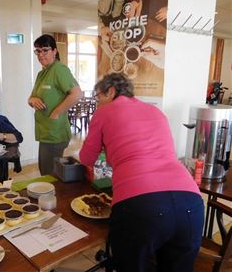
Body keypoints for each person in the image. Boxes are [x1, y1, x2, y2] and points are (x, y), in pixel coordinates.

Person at [79, 73, 204, 272]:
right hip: (190, 202)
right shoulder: (155, 111)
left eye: (98, 97)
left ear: (111, 91)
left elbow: (86, 158)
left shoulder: (104, 112)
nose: (97, 103)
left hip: (142, 205)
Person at [28, 34, 82, 175]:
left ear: (55, 51)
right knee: (45, 170)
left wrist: (56, 113)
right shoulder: (42, 73)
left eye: (45, 50)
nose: (41, 54)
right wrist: (32, 100)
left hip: (55, 132)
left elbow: (76, 94)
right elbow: (31, 97)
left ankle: (54, 197)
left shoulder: (59, 69)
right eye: (38, 51)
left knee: (49, 174)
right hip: (45, 130)